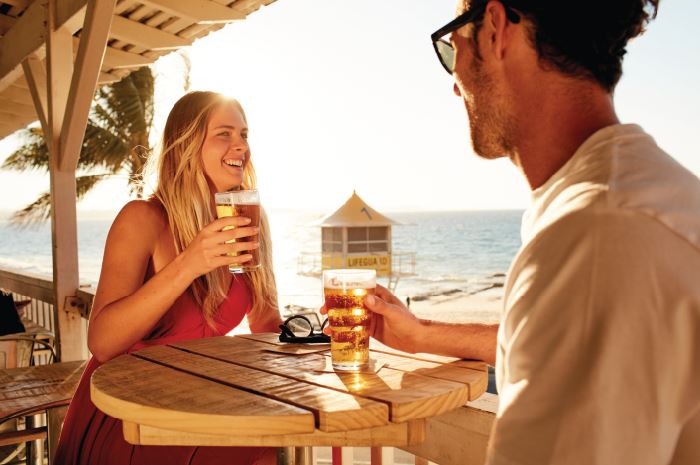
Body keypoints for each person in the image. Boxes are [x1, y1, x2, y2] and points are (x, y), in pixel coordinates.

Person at [325, 1, 700, 463]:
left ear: (495, 30)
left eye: (452, 46)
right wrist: (420, 334)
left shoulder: (594, 238)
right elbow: (552, 344)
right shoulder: (637, 194)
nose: (454, 85)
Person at [54, 91, 281, 465]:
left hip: (198, 402)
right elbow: (103, 342)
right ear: (187, 145)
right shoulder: (142, 219)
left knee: (263, 452)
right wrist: (188, 264)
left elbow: (267, 326)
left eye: (244, 134)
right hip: (127, 410)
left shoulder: (249, 218)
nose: (241, 144)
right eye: (224, 133)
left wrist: (324, 334)